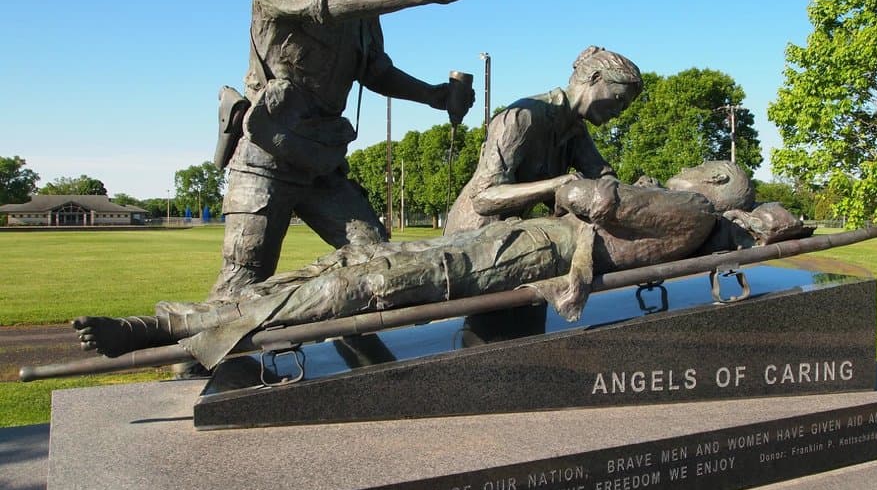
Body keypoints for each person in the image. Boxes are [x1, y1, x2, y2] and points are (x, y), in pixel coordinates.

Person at [73, 167, 804, 369]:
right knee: (361, 266)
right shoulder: (700, 219)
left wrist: (562, 183)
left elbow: (592, 197)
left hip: (536, 247)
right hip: (529, 242)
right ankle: (181, 322)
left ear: (718, 187)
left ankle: (167, 325)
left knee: (363, 282)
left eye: (704, 170)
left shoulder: (689, 208)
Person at [211, 0, 485, 300]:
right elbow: (326, 2)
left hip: (321, 163)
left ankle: (360, 359)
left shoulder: (363, 14)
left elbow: (376, 72)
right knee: (241, 286)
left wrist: (435, 95)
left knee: (377, 261)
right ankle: (194, 367)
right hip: (267, 158)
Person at [444, 47, 642, 234]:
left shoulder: (576, 132)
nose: (618, 113)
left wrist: (640, 192)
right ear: (595, 78)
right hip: (469, 234)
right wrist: (557, 184)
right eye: (618, 99)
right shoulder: (522, 116)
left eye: (623, 108)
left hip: (506, 234)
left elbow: (605, 178)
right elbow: (483, 198)